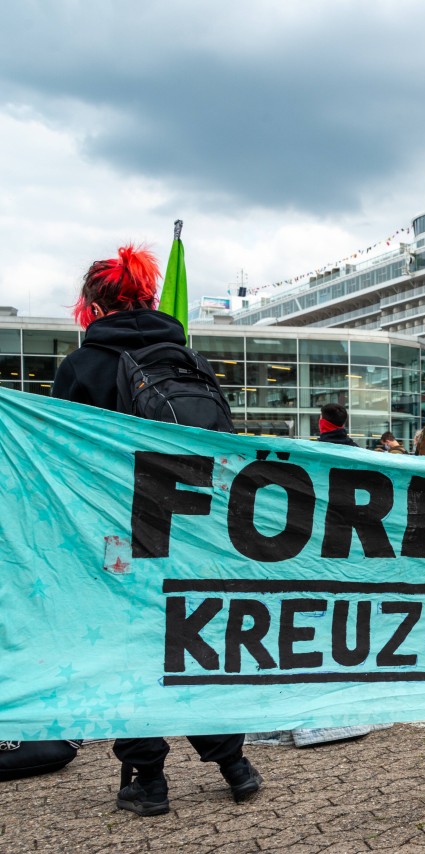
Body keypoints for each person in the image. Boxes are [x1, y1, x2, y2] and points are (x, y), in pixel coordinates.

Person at [52, 244, 261, 816]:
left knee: (131, 648)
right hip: (190, 531)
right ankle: (234, 764)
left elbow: (64, 463)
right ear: (148, 296)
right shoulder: (187, 359)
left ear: (93, 304)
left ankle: (147, 780)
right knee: (190, 642)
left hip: (118, 535)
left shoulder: (83, 367)